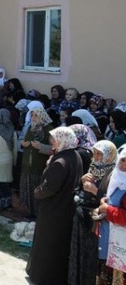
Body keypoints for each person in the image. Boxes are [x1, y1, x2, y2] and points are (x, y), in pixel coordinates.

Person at [26, 127, 83, 285]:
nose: (52, 142)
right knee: (58, 245)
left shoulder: (60, 162)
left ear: (63, 140)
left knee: (47, 244)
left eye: (55, 139)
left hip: (54, 210)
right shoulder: (74, 155)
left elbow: (49, 188)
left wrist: (36, 192)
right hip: (65, 209)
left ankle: (41, 276)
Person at [69, 140, 117, 285]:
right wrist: (81, 181)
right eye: (94, 153)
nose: (95, 157)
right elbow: (79, 191)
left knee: (91, 258)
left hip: (97, 224)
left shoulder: (114, 175)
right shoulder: (93, 168)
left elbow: (111, 201)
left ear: (109, 156)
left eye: (99, 154)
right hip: (82, 218)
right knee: (79, 253)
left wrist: (94, 190)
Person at [96, 147, 126, 284]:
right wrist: (102, 208)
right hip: (109, 243)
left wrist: (107, 210)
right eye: (123, 160)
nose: (124, 165)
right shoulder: (114, 178)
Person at [20, 107, 54, 218]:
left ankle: (38, 213)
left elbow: (54, 148)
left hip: (39, 166)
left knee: (37, 190)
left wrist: (40, 146)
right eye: (32, 115)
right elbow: (25, 141)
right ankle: (29, 211)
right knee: (28, 189)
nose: (33, 118)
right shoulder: (31, 127)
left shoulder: (49, 130)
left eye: (36, 115)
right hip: (27, 164)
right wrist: (24, 144)